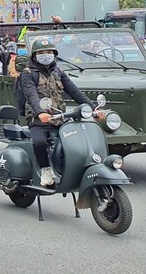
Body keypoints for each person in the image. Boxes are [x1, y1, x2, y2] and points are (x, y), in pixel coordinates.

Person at [19, 38, 97, 187]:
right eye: (41, 52)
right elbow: (31, 95)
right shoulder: (28, 73)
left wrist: (93, 109)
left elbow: (74, 91)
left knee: (75, 140)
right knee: (39, 142)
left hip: (59, 117)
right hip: (37, 119)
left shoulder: (58, 71)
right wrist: (40, 112)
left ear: (54, 54)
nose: (45, 55)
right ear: (34, 55)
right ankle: (45, 169)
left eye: (48, 52)